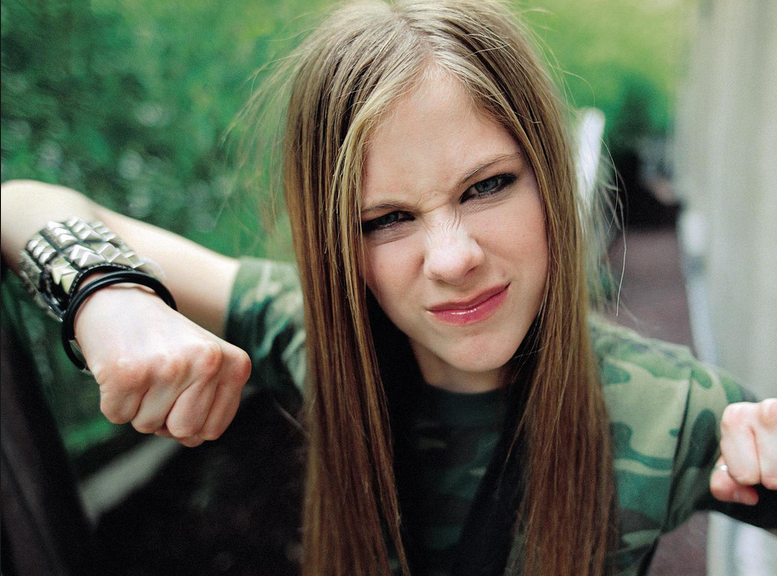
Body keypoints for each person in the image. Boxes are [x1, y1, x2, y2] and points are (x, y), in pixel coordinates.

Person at [1, 1, 774, 575]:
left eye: (487, 185)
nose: (452, 259)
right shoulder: (320, 337)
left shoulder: (674, 410)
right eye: (386, 219)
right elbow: (20, 204)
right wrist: (107, 294)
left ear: (547, 174)